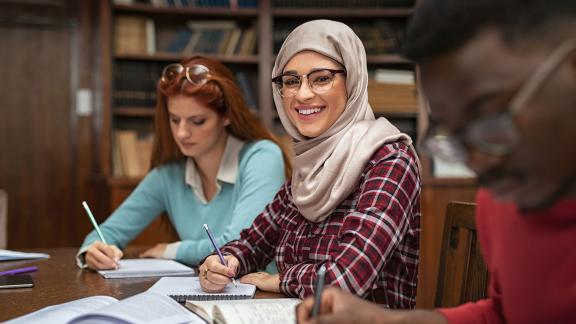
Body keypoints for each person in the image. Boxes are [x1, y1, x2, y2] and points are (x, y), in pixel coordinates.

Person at [296, 0, 576, 323]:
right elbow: (504, 314)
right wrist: (384, 321)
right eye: (455, 137)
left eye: (489, 118)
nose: (477, 162)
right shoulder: (501, 200)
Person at [198, 20, 421, 309]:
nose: (303, 94)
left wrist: (279, 280)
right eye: (291, 81)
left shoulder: (390, 161)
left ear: (352, 79)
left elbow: (347, 279)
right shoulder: (308, 167)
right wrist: (222, 262)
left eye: (321, 78)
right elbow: (254, 242)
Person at [77, 56, 291, 270]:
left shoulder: (263, 157)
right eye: (174, 119)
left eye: (197, 121)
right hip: (201, 293)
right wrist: (93, 251)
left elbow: (240, 245)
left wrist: (172, 250)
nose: (182, 133)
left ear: (226, 116)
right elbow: (108, 232)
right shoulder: (167, 175)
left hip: (260, 297)